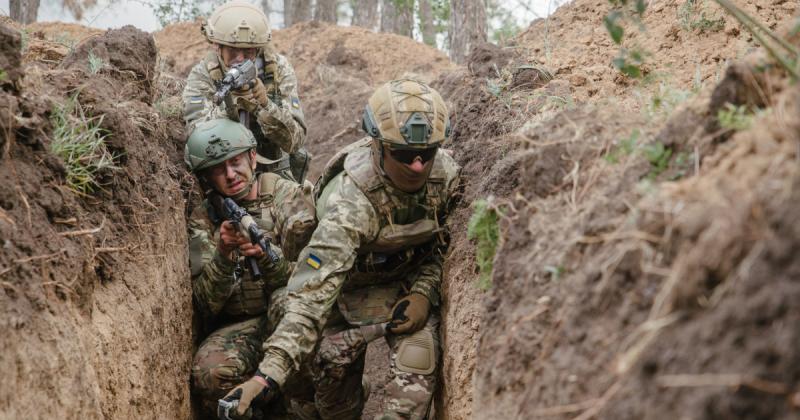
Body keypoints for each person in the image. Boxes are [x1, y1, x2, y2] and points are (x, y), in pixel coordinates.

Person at [222, 79, 462, 420]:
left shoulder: (449, 179)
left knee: (417, 364)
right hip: (341, 292)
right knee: (332, 403)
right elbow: (311, 295)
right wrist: (267, 375)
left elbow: (450, 250)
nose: (418, 166)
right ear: (378, 146)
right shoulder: (350, 202)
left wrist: (425, 292)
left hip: (405, 288)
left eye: (427, 154)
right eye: (405, 155)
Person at [184, 118, 315, 418]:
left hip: (292, 317)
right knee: (209, 373)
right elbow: (205, 304)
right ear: (207, 178)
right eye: (219, 169)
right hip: (243, 325)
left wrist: (268, 258)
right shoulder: (204, 218)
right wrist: (224, 254)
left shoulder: (290, 198)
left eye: (236, 162)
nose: (231, 175)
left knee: (285, 302)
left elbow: (313, 279)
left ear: (253, 157)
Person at [183, 0, 310, 183]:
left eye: (248, 52)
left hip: (273, 173)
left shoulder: (277, 70)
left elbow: (295, 141)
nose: (240, 59)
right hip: (224, 175)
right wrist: (230, 105)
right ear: (217, 46)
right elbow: (196, 140)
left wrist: (263, 106)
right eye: (233, 51)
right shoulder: (204, 74)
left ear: (258, 49)